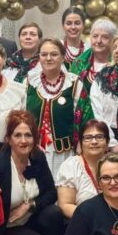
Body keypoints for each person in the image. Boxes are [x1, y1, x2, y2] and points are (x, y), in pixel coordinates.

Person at [0, 110, 65, 235]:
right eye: (17, 135)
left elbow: (51, 193)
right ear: (8, 139)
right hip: (8, 227)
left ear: (35, 138)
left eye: (28, 135)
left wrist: (29, 205)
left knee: (54, 214)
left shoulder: (37, 156)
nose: (24, 140)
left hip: (30, 218)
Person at [25, 38, 92, 172]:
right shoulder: (29, 82)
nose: (48, 58)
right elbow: (20, 116)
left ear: (62, 57)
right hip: (33, 151)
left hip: (64, 152)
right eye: (44, 54)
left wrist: (81, 143)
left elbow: (85, 116)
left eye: (54, 54)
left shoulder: (74, 83)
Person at [56, 120, 110, 219]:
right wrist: (94, 219)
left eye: (99, 137)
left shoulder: (116, 164)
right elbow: (65, 205)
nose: (94, 142)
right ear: (80, 143)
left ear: (107, 143)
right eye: (88, 138)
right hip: (83, 221)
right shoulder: (71, 166)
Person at [70, 19, 116, 115]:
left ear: (113, 40)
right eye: (95, 36)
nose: (98, 41)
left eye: (105, 37)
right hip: (80, 118)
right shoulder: (78, 64)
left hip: (110, 118)